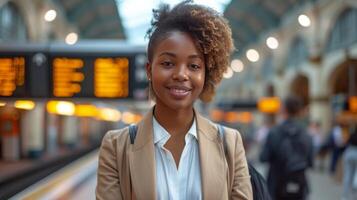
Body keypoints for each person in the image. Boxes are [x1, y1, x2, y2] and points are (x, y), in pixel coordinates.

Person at [96, 1, 252, 200]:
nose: (181, 75)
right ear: (149, 70)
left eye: (194, 66)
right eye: (168, 63)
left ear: (206, 74)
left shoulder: (229, 142)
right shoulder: (117, 146)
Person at [260, 96, 313, 200]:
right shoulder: (306, 133)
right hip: (299, 183)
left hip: (276, 184)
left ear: (283, 109)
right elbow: (310, 161)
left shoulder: (274, 132)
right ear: (299, 111)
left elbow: (263, 157)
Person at [342, 126, 357, 200]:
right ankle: (354, 192)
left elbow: (345, 143)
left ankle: (344, 196)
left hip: (349, 153)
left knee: (347, 174)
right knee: (356, 175)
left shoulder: (352, 134)